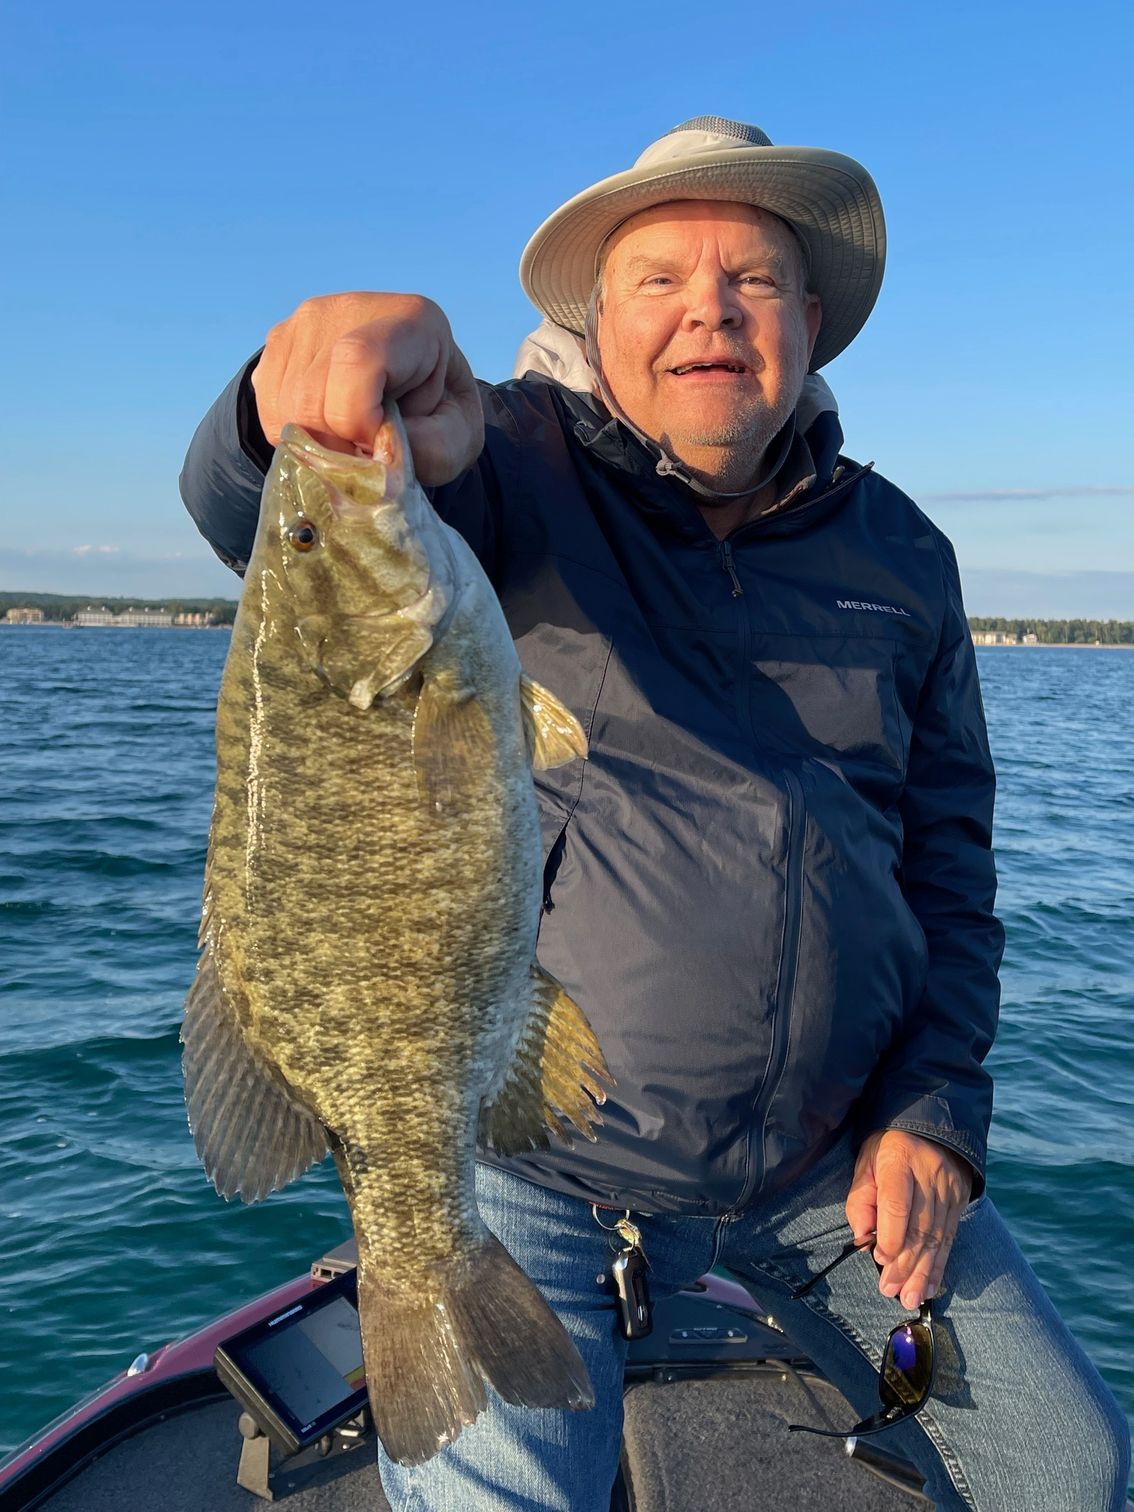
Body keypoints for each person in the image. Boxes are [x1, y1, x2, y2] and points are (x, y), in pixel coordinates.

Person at [181, 118, 1131, 1510]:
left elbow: (951, 863)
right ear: (594, 319)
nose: (710, 312)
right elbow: (241, 503)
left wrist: (932, 1116)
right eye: (660, 278)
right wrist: (290, 404)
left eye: (753, 279)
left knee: (1069, 1468)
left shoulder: (903, 555)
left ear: (810, 322)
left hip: (832, 1165)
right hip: (530, 1161)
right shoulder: (501, 471)